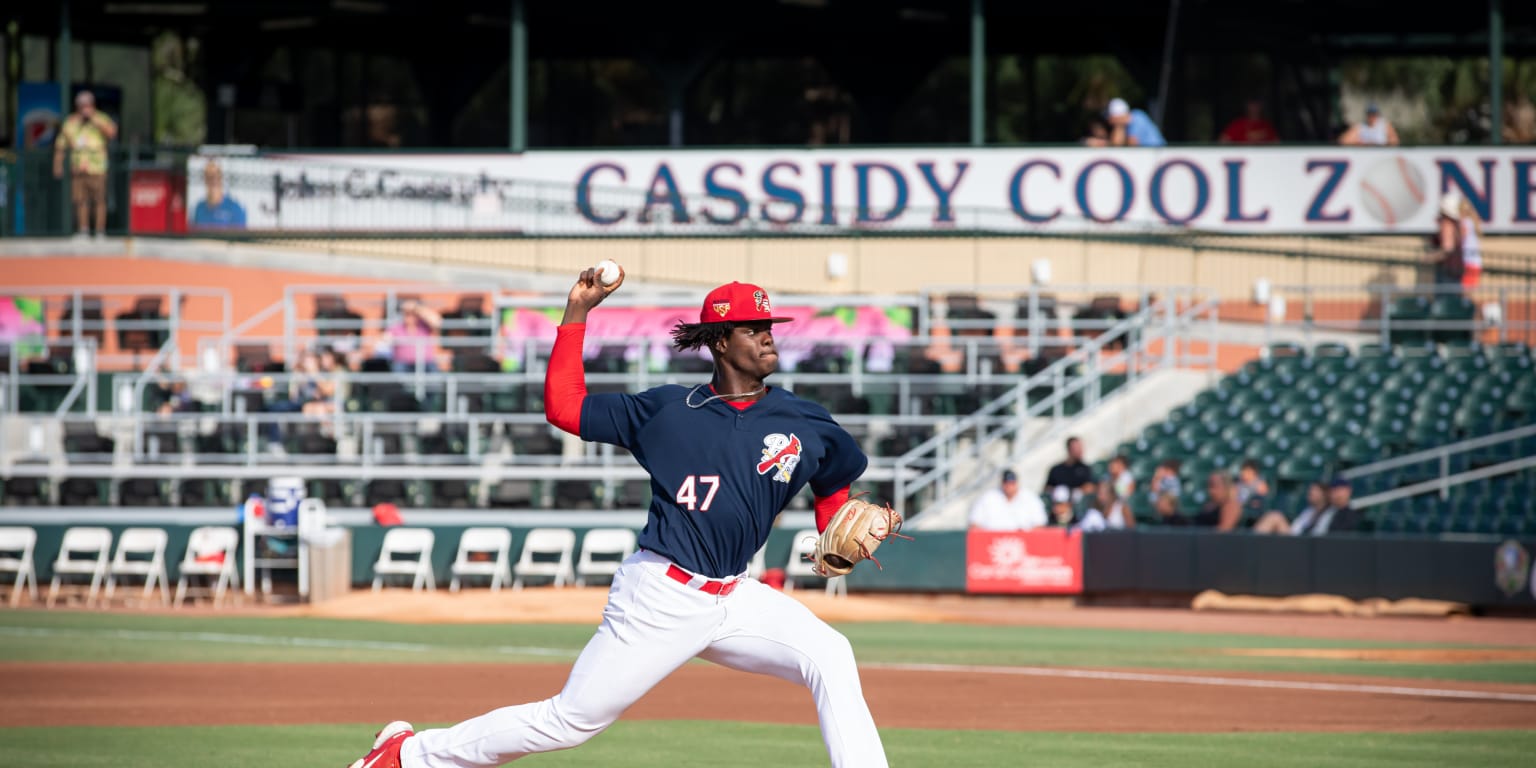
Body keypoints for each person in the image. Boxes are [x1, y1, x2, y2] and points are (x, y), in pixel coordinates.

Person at [346, 271, 890, 768]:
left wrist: (832, 528)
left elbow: (833, 479)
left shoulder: (804, 418)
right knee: (569, 720)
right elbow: (564, 406)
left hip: (734, 596)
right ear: (720, 342)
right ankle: (407, 756)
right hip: (662, 596)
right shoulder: (668, 411)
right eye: (752, 328)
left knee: (831, 655)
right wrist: (577, 312)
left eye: (769, 326)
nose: (768, 336)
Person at [52, 90, 118, 238]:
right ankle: (83, 230)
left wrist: (94, 120)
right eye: (82, 106)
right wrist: (57, 165)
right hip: (78, 168)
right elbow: (61, 146)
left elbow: (112, 133)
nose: (85, 108)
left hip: (98, 167)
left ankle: (100, 231)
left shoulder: (101, 118)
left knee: (99, 200)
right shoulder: (71, 122)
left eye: (87, 105)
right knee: (80, 200)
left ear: (93, 105)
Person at [968, 469, 1047, 531]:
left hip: (1023, 543)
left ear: (1017, 483)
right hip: (992, 542)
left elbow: (1040, 524)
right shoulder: (988, 497)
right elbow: (974, 524)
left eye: (1012, 483)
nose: (1009, 486)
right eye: (1006, 483)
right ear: (1002, 483)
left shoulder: (1030, 498)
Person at [382, 298, 443, 373]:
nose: (410, 317)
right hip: (402, 363)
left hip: (426, 362)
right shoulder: (396, 327)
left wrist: (417, 308)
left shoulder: (424, 325)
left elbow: (437, 322)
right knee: (397, 371)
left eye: (412, 314)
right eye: (407, 314)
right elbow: (385, 339)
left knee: (434, 379)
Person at [190, 159, 248, 229]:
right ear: (204, 179)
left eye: (216, 176)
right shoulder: (199, 208)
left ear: (221, 177)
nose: (213, 180)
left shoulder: (235, 209)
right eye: (209, 177)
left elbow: (240, 238)